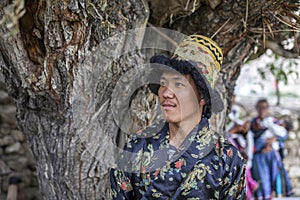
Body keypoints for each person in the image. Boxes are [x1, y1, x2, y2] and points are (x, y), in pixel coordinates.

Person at [110, 35, 246, 199]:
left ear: (202, 97)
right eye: (163, 83)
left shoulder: (227, 160)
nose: (166, 93)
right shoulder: (136, 146)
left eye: (179, 84)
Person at [249, 98, 292, 199]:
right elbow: (250, 139)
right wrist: (262, 145)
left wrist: (273, 139)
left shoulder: (273, 122)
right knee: (262, 181)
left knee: (273, 179)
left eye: (264, 107)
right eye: (259, 108)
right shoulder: (253, 124)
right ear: (256, 109)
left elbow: (284, 135)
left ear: (267, 109)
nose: (262, 110)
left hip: (272, 156)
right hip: (259, 157)